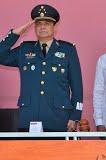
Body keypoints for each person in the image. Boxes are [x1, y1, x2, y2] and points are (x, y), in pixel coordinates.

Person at [0, 4, 83, 132]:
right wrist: (16, 33)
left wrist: (75, 116)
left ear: (54, 27)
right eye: (38, 24)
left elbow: (77, 87)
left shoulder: (68, 50)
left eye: (47, 23)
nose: (42, 27)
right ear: (34, 27)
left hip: (59, 120)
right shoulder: (24, 49)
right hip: (29, 119)